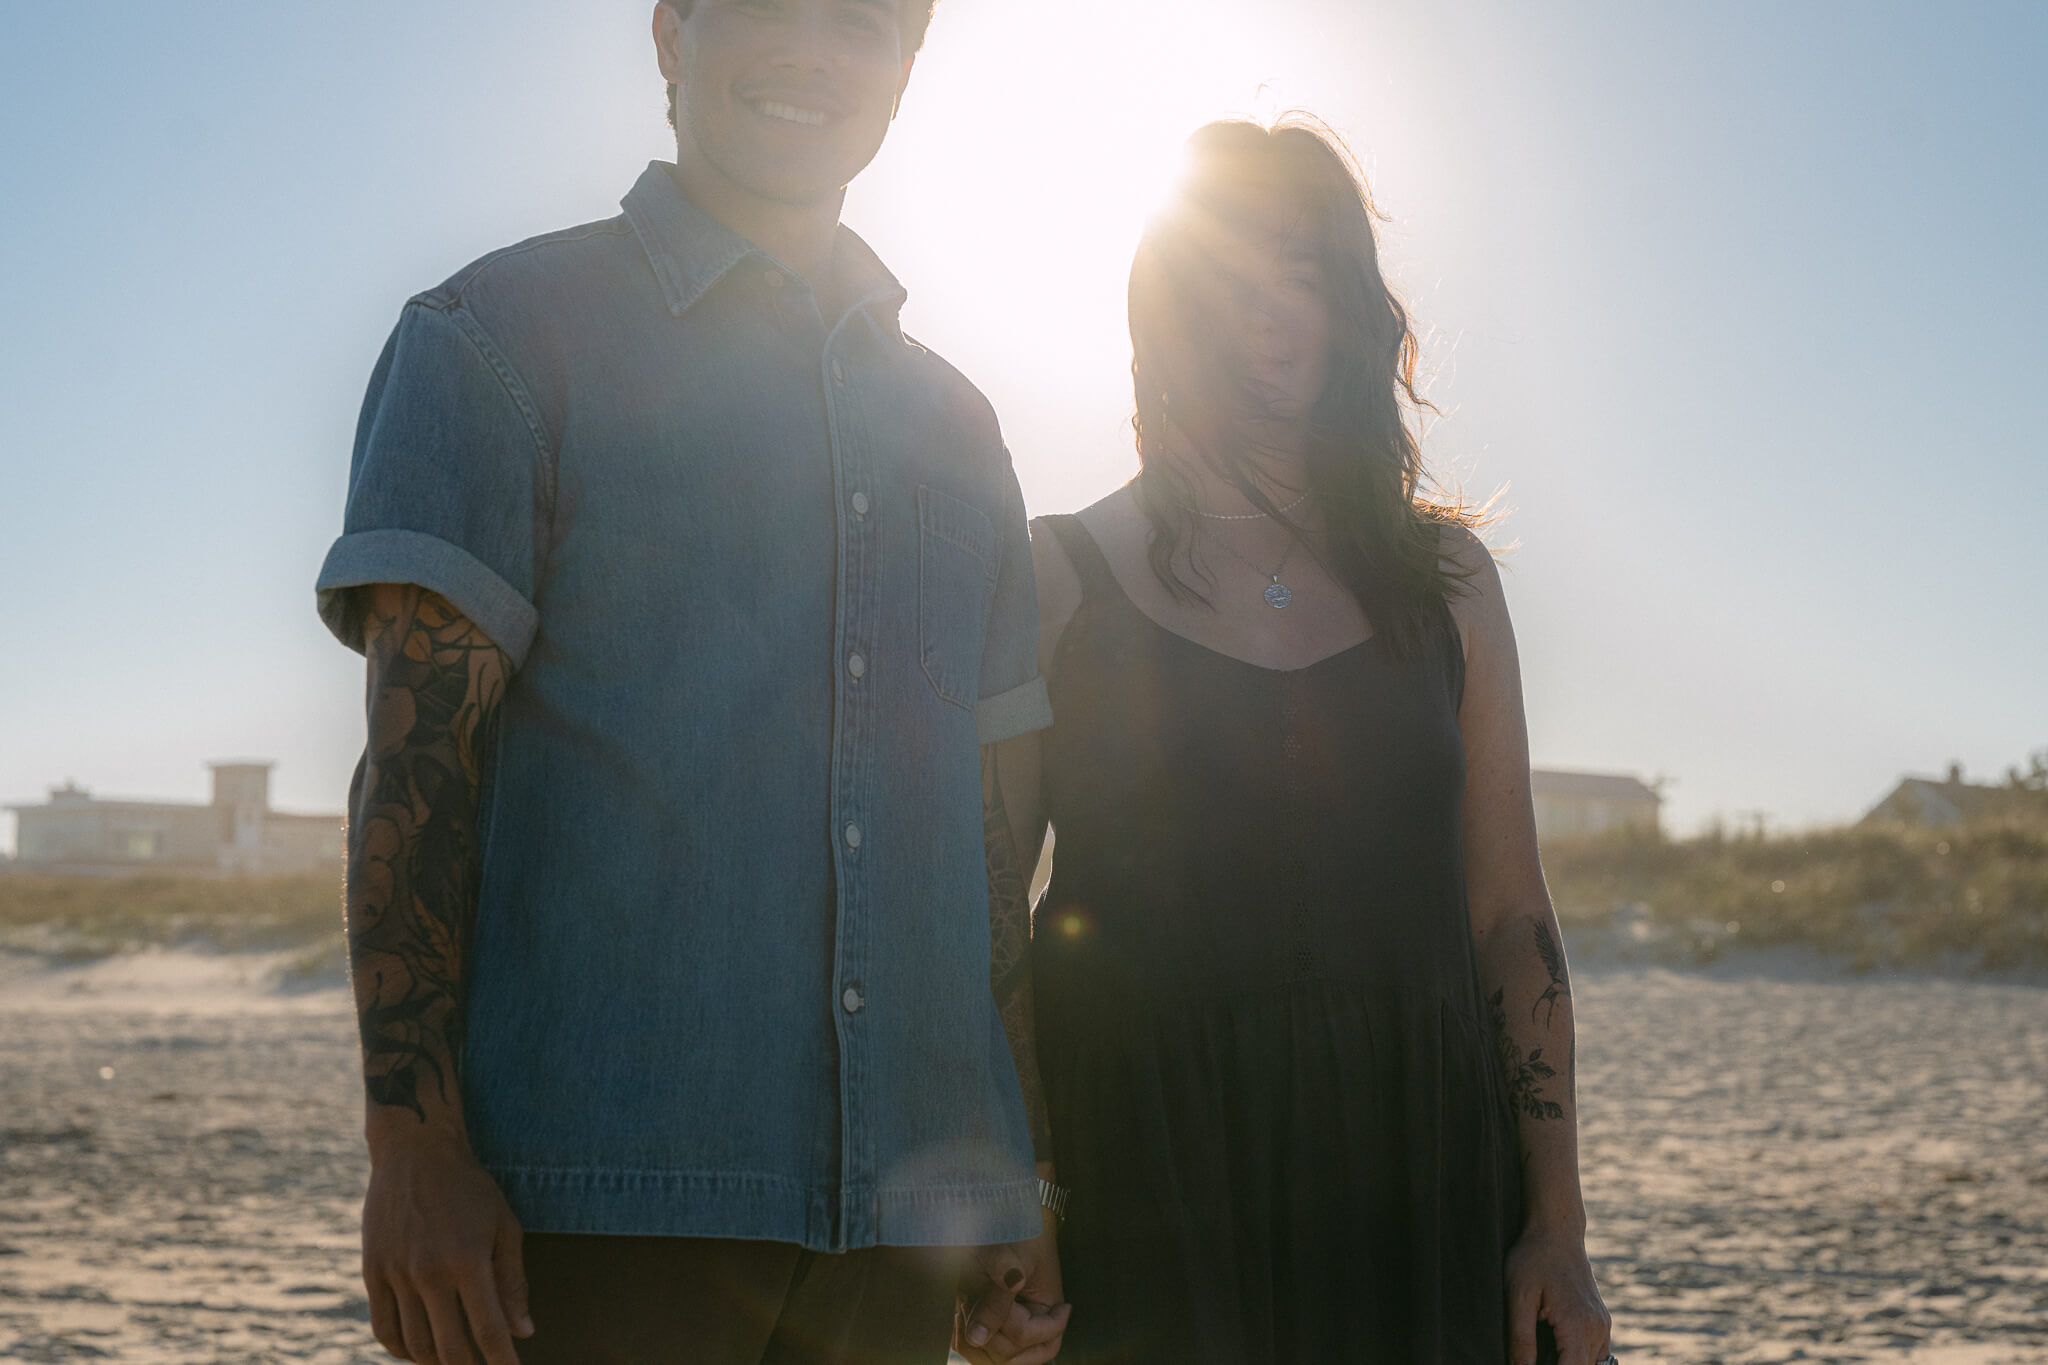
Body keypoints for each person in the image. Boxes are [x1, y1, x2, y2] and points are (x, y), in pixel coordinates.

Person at [315, 3, 1070, 1362]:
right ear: (673, 33)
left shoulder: (960, 430)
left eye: (862, 21)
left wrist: (1012, 1166)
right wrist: (410, 1148)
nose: (813, 51)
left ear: (906, 68)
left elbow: (980, 845)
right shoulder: (497, 339)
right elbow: (417, 778)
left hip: (896, 1236)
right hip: (589, 1218)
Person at [986, 119, 1615, 1364]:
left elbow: (1508, 921)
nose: (1267, 312)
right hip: (1144, 1178)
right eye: (1229, 275)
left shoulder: (1445, 582)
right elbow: (989, 923)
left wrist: (1557, 1225)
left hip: (1419, 1177)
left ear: (1347, 310)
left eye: (1303, 272)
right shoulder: (1054, 579)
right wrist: (1026, 1198)